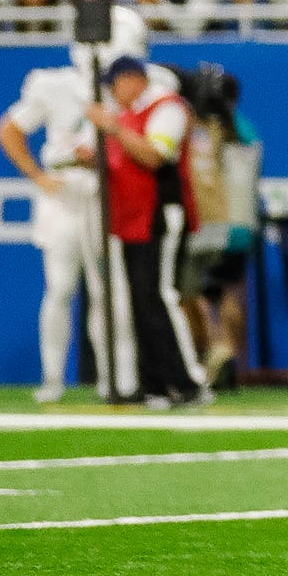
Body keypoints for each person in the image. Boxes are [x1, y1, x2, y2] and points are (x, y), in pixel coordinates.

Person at [87, 55, 205, 405]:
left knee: (160, 296)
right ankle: (153, 381)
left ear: (134, 79)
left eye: (116, 83)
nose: (112, 91)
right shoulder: (130, 114)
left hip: (160, 213)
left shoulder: (167, 108)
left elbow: (155, 155)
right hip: (133, 217)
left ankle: (186, 382)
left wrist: (115, 129)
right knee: (140, 298)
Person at [3, 53, 117, 400]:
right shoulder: (54, 83)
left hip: (102, 189)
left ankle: (110, 377)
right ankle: (53, 377)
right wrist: (38, 176)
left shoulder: (128, 84)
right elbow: (10, 129)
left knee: (105, 291)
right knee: (60, 288)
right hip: (64, 188)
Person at [177, 66, 261, 393]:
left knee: (192, 292)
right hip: (241, 224)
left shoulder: (205, 128)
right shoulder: (246, 129)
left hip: (210, 221)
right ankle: (226, 353)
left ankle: (207, 355)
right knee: (230, 292)